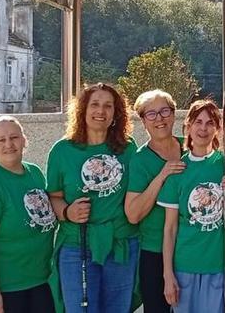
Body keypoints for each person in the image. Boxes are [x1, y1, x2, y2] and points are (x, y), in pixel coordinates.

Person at [159, 99, 225, 313]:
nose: (203, 128)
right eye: (198, 122)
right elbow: (170, 229)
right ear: (188, 126)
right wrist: (168, 275)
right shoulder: (178, 171)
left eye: (210, 123)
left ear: (218, 129)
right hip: (184, 267)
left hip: (219, 266)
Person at [46, 83, 139, 313]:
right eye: (95, 104)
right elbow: (54, 197)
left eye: (108, 106)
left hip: (120, 245)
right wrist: (67, 212)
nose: (101, 111)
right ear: (82, 110)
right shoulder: (62, 151)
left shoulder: (127, 149)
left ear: (116, 113)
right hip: (77, 246)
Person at [0, 116, 56, 313]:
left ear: (24, 140)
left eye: (14, 137)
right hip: (4, 290)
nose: (9, 144)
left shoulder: (35, 173)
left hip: (38, 282)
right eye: (1, 140)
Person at [124, 90, 185, 313]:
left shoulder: (189, 147)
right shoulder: (140, 160)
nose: (159, 118)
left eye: (164, 111)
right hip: (155, 252)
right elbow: (133, 214)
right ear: (143, 120)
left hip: (191, 249)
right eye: (151, 114)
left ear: (173, 114)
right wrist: (162, 176)